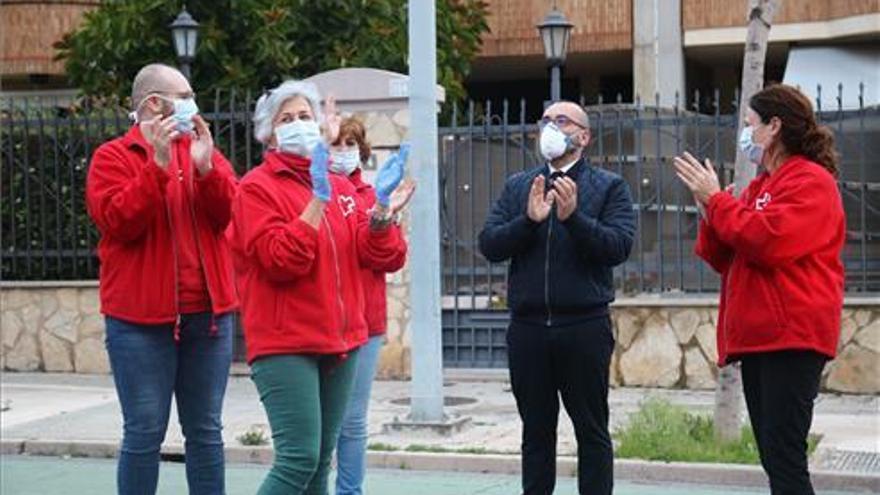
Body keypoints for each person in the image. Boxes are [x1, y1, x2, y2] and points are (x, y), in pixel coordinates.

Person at [227, 80, 409, 495]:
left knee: (321, 462)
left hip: (340, 340)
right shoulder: (256, 188)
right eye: (286, 120)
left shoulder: (341, 184)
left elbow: (379, 256)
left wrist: (381, 211)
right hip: (285, 342)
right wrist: (316, 200)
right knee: (298, 460)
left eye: (305, 117)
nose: (298, 125)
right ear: (269, 135)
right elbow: (279, 260)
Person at [673, 83, 845, 495]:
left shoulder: (812, 181)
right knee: (773, 454)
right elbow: (726, 255)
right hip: (760, 338)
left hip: (792, 336)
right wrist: (708, 206)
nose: (745, 134)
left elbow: (768, 240)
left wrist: (718, 202)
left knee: (784, 455)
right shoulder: (759, 186)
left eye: (750, 124)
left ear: (774, 126)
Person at [85, 63, 239, 495]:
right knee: (144, 432)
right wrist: (156, 166)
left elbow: (228, 215)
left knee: (206, 432)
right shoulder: (112, 157)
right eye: (185, 94)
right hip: (138, 323)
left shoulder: (200, 147)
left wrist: (208, 170)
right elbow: (119, 222)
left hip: (208, 319)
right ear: (155, 103)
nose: (193, 103)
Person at [478, 101, 636, 495]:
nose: (550, 126)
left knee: (592, 431)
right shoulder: (520, 186)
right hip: (528, 328)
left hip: (583, 326)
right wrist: (528, 221)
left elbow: (618, 247)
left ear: (583, 136)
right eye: (545, 121)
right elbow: (490, 244)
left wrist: (574, 219)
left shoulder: (609, 186)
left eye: (561, 120)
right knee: (536, 432)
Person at [328, 117, 415, 495]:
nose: (343, 151)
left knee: (352, 421)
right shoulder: (314, 193)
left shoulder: (373, 194)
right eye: (335, 143)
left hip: (366, 324)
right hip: (324, 321)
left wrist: (383, 212)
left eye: (350, 144)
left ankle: (350, 491)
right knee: (319, 424)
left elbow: (392, 258)